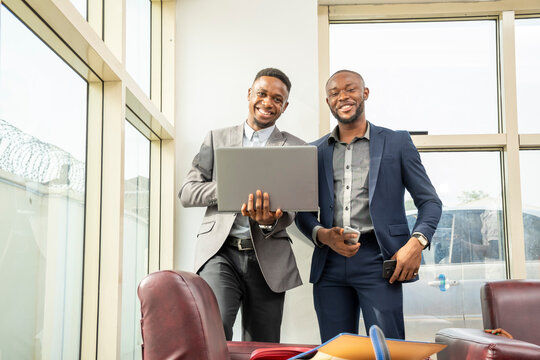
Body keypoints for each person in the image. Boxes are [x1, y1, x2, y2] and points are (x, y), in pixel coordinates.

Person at [295, 70, 442, 342]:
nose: (343, 97)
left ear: (365, 93)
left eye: (350, 89)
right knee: (336, 353)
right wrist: (322, 234)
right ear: (328, 102)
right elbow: (301, 213)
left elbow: (430, 202)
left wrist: (416, 243)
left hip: (379, 259)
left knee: (389, 348)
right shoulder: (313, 152)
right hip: (329, 264)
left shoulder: (397, 142)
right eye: (334, 93)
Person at [179, 68, 304, 342]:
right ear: (249, 94)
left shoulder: (295, 147)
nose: (268, 103)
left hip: (268, 258)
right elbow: (187, 192)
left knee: (263, 342)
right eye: (262, 94)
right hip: (220, 253)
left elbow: (294, 209)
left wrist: (269, 220)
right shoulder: (216, 138)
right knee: (214, 331)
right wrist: (231, 189)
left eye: (277, 99)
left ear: (285, 106)